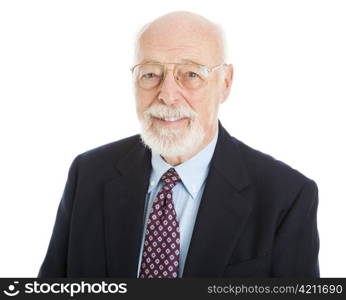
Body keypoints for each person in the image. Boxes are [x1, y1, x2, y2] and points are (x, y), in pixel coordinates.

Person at [38, 11, 319, 278]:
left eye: (191, 74)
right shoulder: (88, 174)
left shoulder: (287, 196)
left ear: (226, 82)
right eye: (150, 74)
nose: (168, 96)